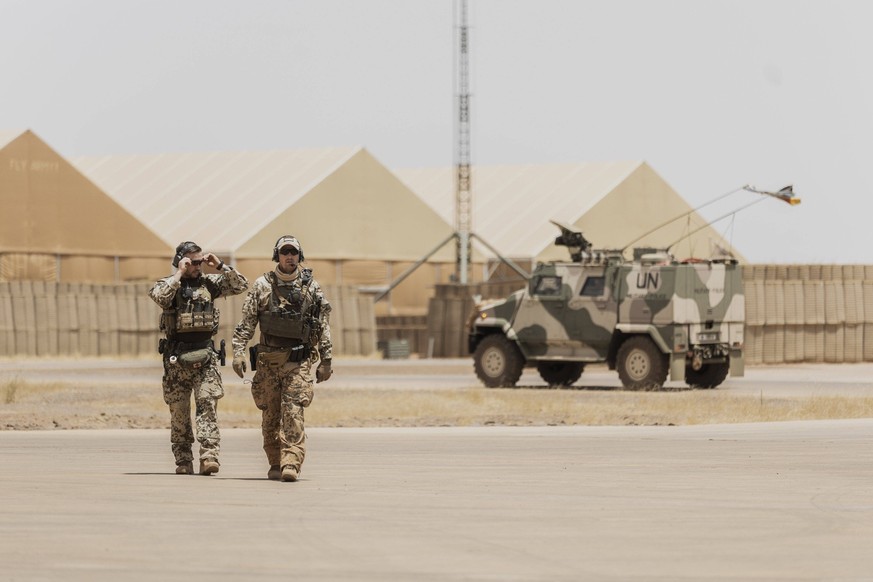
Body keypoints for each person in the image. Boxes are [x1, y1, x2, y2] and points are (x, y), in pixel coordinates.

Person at [232, 235, 332, 482]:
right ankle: (274, 461)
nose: (290, 257)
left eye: (294, 253)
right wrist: (237, 352)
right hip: (268, 361)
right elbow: (247, 323)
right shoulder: (262, 286)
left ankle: (291, 462)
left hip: (298, 362)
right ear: (277, 256)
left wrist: (326, 359)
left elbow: (322, 324)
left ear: (300, 256)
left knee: (294, 412)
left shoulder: (311, 288)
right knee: (270, 415)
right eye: (285, 252)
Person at [148, 241, 248, 476]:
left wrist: (220, 265)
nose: (197, 266)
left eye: (200, 261)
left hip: (205, 358)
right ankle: (183, 460)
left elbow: (241, 284)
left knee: (208, 406)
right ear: (181, 261)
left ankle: (209, 456)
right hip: (176, 358)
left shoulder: (209, 284)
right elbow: (160, 297)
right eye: (193, 262)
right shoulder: (170, 284)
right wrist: (179, 274)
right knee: (179, 411)